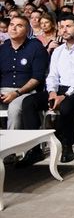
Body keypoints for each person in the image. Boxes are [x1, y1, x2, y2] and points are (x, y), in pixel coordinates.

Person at [20, 14, 74, 163]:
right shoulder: (58, 50)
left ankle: (66, 146)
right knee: (29, 102)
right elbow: (52, 75)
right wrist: (52, 92)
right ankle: (34, 149)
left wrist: (65, 95)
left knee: (66, 106)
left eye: (68, 26)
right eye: (61, 27)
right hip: (59, 89)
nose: (64, 30)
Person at [0, 16, 49, 164]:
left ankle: (10, 152)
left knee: (14, 108)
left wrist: (16, 93)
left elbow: (37, 78)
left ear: (27, 30)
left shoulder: (36, 48)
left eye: (19, 25)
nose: (13, 28)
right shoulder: (2, 49)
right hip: (3, 90)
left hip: (26, 91)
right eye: (12, 24)